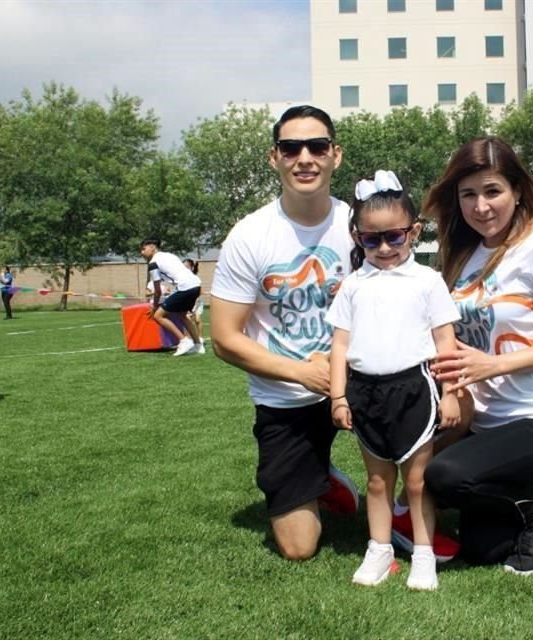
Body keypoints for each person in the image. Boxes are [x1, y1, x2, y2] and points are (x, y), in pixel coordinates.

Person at [421, 137, 533, 576]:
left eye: (492, 191)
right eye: (468, 194)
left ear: (517, 191)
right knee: (483, 549)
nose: (481, 207)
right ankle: (521, 490)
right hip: (483, 421)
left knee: (444, 476)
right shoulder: (462, 256)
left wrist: (494, 365)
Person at [208, 105, 360, 561]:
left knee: (434, 419)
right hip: (285, 399)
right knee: (298, 548)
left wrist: (338, 369)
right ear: (275, 158)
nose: (305, 157)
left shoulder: (358, 226)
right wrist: (301, 374)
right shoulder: (250, 236)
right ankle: (321, 475)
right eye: (291, 147)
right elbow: (224, 338)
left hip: (358, 381)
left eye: (317, 146)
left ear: (336, 155)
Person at [327, 171, 462, 590]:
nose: (384, 248)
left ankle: (423, 554)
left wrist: (452, 394)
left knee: (418, 481)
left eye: (395, 237)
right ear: (357, 238)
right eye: (371, 239)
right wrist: (338, 396)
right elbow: (339, 346)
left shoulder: (427, 281)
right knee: (378, 480)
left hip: (414, 390)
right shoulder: (352, 285)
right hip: (364, 392)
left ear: (414, 232)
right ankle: (380, 549)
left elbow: (446, 342)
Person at [139, 238, 204, 356]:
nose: (142, 253)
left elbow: (157, 290)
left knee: (158, 316)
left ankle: (184, 341)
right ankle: (198, 345)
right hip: (196, 285)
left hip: (185, 287)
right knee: (182, 315)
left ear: (153, 247)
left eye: (144, 249)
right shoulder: (169, 255)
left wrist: (154, 308)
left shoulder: (153, 263)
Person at [183, 258, 205, 342]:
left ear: (192, 267)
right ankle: (188, 338)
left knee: (197, 320)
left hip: (197, 302)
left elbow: (199, 292)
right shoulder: (183, 278)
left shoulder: (195, 278)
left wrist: (194, 303)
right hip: (187, 302)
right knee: (187, 320)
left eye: (187, 266)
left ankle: (200, 338)